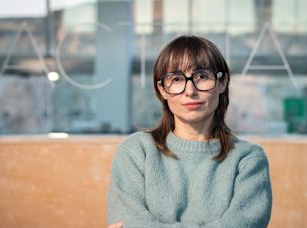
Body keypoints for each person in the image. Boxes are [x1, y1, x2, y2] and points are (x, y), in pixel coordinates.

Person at [107, 35, 272, 228]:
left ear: (222, 83)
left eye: (201, 76)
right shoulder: (135, 152)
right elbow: (126, 221)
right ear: (162, 90)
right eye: (176, 79)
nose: (190, 90)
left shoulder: (248, 159)